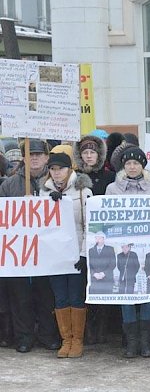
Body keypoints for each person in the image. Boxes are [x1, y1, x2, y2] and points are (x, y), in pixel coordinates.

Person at [106, 146, 150, 358]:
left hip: (148, 251)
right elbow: (107, 220)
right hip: (123, 252)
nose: (132, 167)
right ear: (123, 167)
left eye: (136, 163)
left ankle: (146, 342)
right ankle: (130, 342)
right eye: (128, 164)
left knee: (148, 295)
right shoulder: (112, 189)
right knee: (126, 295)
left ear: (143, 165)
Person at [0, 139, 61, 353]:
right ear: (24, 157)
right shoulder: (9, 184)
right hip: (19, 253)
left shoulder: (54, 180)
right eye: (30, 154)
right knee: (20, 298)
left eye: (38, 154)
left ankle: (47, 335)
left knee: (46, 296)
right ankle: (24, 336)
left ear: (46, 157)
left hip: (47, 252)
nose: (34, 158)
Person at [40, 152, 93, 358]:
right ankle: (66, 339)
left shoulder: (83, 192)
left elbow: (90, 225)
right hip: (55, 254)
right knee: (60, 296)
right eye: (52, 169)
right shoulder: (44, 193)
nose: (56, 173)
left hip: (76, 251)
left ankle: (77, 340)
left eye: (60, 168)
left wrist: (84, 253)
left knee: (75, 296)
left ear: (69, 169)